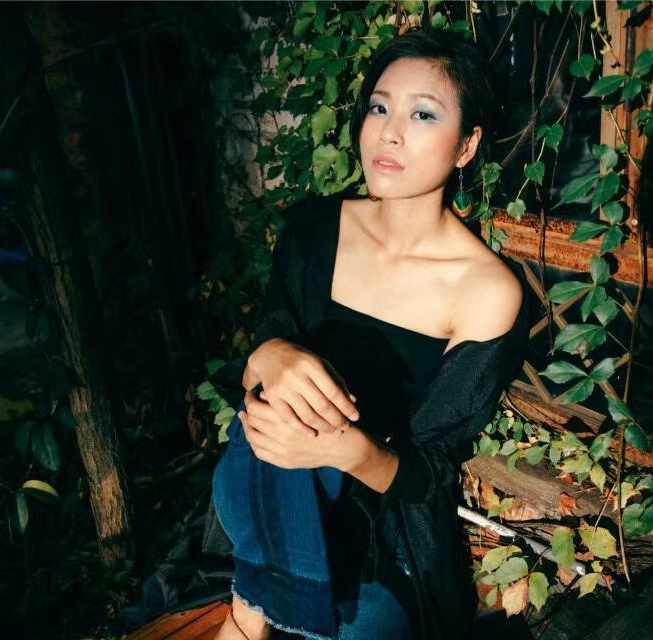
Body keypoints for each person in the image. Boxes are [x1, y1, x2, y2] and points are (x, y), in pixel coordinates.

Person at [212, 29, 529, 640]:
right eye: (380, 108)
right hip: (264, 482)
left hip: (378, 535)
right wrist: (270, 353)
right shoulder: (314, 229)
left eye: (423, 114)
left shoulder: (485, 290)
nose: (389, 132)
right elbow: (256, 369)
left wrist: (343, 450)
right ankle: (258, 604)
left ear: (467, 146)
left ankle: (251, 610)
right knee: (277, 424)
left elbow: (427, 475)